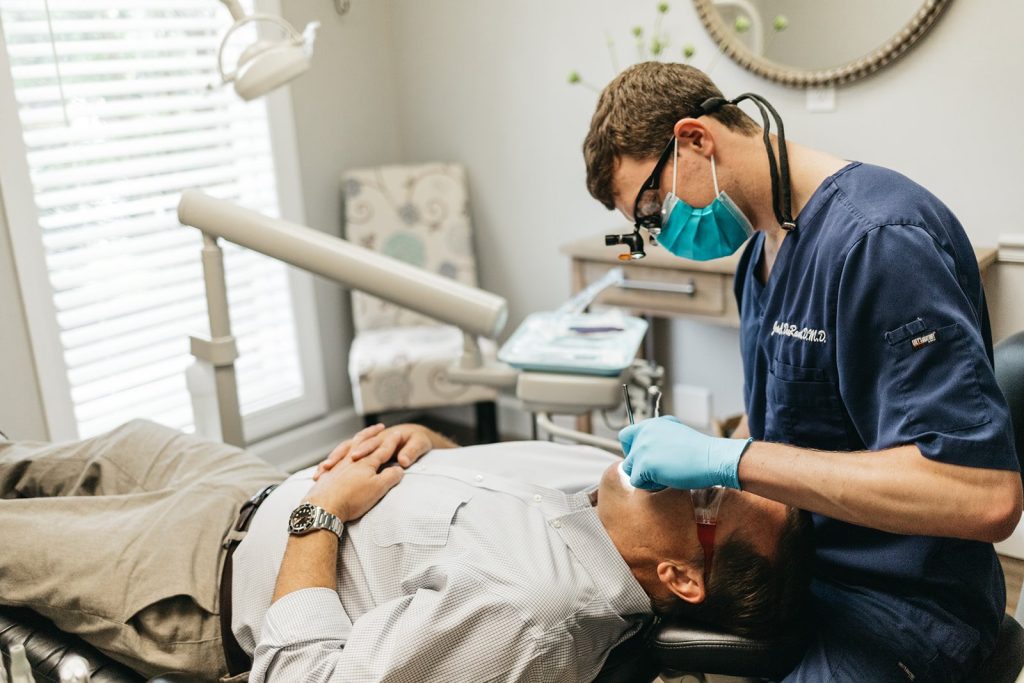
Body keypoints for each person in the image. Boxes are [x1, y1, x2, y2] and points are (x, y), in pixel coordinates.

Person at [583, 61, 1023, 682]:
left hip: (905, 607)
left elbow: (983, 496)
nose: (659, 230)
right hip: (807, 574)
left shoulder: (878, 242)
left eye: (653, 205)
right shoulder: (759, 257)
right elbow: (792, 424)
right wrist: (715, 447)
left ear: (695, 139)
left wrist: (729, 461)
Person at [0, 419, 810, 682]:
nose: (688, 471)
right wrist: (436, 447)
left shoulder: (534, 614)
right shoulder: (614, 485)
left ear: (679, 576)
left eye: (707, 493)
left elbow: (300, 677)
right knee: (28, 458)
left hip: (189, 575)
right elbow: (483, 517)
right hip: (240, 483)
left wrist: (319, 514)